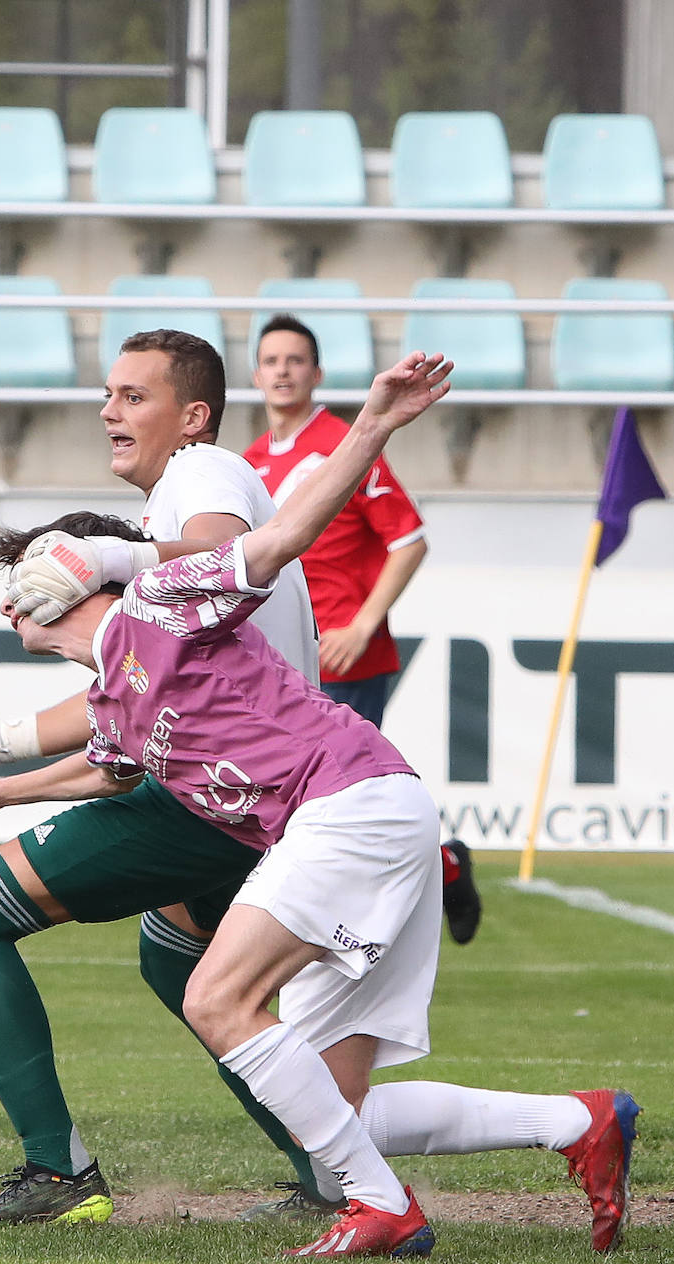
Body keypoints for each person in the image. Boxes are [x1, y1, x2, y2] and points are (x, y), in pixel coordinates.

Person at [0, 351, 640, 1259]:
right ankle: (578, 1120)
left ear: (70, 579)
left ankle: (383, 1210)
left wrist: (373, 423)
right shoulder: (114, 690)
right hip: (373, 812)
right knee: (336, 1106)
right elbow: (104, 770)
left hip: (350, 805)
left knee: (214, 997)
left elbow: (282, 534)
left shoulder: (160, 595)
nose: (5, 600)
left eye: (20, 577)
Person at [0, 330, 340, 1224]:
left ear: (193, 415)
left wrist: (111, 559)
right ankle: (329, 1171)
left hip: (219, 799)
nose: (108, 411)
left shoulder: (200, 474)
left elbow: (223, 554)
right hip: (260, 798)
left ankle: (57, 1173)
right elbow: (122, 716)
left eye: (132, 395)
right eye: (108, 393)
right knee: (180, 970)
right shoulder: (184, 503)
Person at [245, 314, 481, 948]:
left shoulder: (343, 445)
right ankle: (430, 872)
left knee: (339, 803)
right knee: (290, 803)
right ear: (255, 374)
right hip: (278, 663)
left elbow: (408, 540)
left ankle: (350, 925)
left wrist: (361, 623)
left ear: (316, 374)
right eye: (272, 360)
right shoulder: (245, 465)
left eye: (295, 360)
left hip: (345, 656)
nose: (283, 370)